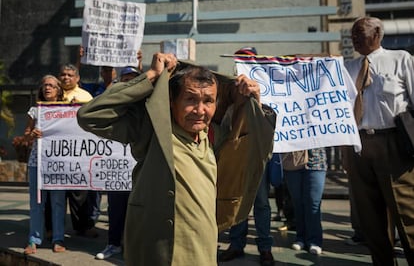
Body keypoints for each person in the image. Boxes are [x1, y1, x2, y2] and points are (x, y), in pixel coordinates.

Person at [77, 52, 276, 265]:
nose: (200, 111)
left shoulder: (213, 135)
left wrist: (253, 101)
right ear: (172, 101)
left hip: (201, 250)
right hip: (156, 251)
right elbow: (90, 116)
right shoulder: (152, 130)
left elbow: (253, 147)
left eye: (208, 101)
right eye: (190, 99)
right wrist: (151, 76)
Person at [344, 16, 414, 265]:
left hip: (392, 144)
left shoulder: (401, 60)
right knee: (370, 217)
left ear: (377, 35)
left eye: (359, 32)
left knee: (407, 212)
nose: (353, 37)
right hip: (358, 147)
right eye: (352, 33)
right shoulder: (347, 68)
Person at [218, 46, 275, 266]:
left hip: (257, 156)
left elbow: (266, 123)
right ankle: (236, 244)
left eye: (248, 60)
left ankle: (265, 247)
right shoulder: (231, 89)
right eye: (241, 60)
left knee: (261, 203)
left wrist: (257, 97)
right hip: (236, 155)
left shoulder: (266, 88)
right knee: (235, 199)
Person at [94, 65, 143, 260]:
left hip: (139, 167)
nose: (130, 82)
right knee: (116, 209)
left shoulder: (146, 103)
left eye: (134, 78)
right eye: (126, 78)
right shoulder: (112, 104)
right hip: (117, 170)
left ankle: (135, 247)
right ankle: (113, 244)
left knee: (139, 210)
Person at [23, 75, 67, 254]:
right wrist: (32, 134)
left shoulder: (67, 110)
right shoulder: (35, 110)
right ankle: (34, 240)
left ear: (58, 90)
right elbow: (26, 134)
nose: (47, 88)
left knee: (58, 202)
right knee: (37, 202)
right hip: (37, 162)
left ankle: (58, 239)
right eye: (45, 85)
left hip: (60, 163)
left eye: (51, 85)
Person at [58, 63, 96, 238]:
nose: (66, 78)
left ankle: (83, 227)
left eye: (70, 75)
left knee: (80, 192)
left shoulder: (85, 96)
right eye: (63, 75)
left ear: (77, 78)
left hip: (78, 152)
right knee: (55, 193)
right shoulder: (53, 93)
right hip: (56, 152)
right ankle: (53, 229)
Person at [284, 148, 327, 255]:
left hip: (317, 162)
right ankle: (300, 237)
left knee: (313, 203)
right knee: (297, 203)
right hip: (292, 162)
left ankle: (314, 241)